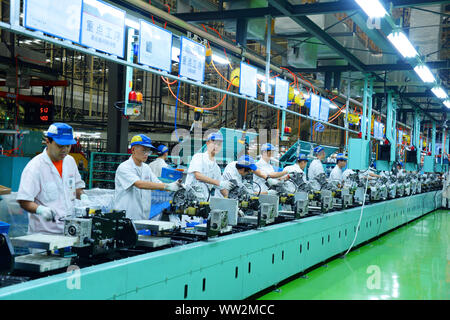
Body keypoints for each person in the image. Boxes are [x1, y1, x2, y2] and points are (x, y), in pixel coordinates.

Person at [16, 123, 86, 235]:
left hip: (70, 230)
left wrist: (83, 196)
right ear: (48, 141)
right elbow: (24, 200)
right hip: (44, 235)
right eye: (60, 146)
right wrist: (40, 210)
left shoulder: (70, 161)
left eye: (68, 146)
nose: (65, 150)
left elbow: (76, 188)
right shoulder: (35, 167)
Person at [114, 134, 180, 221]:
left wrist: (174, 185)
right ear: (133, 150)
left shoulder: (146, 168)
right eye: (144, 151)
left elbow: (158, 183)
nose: (146, 154)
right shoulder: (124, 167)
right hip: (126, 217)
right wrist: (166, 186)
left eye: (148, 151)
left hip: (143, 217)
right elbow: (139, 184)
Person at [185, 132, 233, 199]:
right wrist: (219, 183)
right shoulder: (198, 157)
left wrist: (234, 199)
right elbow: (198, 176)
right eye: (214, 143)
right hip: (190, 199)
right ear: (207, 143)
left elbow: (221, 189)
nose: (216, 146)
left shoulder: (216, 168)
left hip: (205, 201)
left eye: (219, 144)